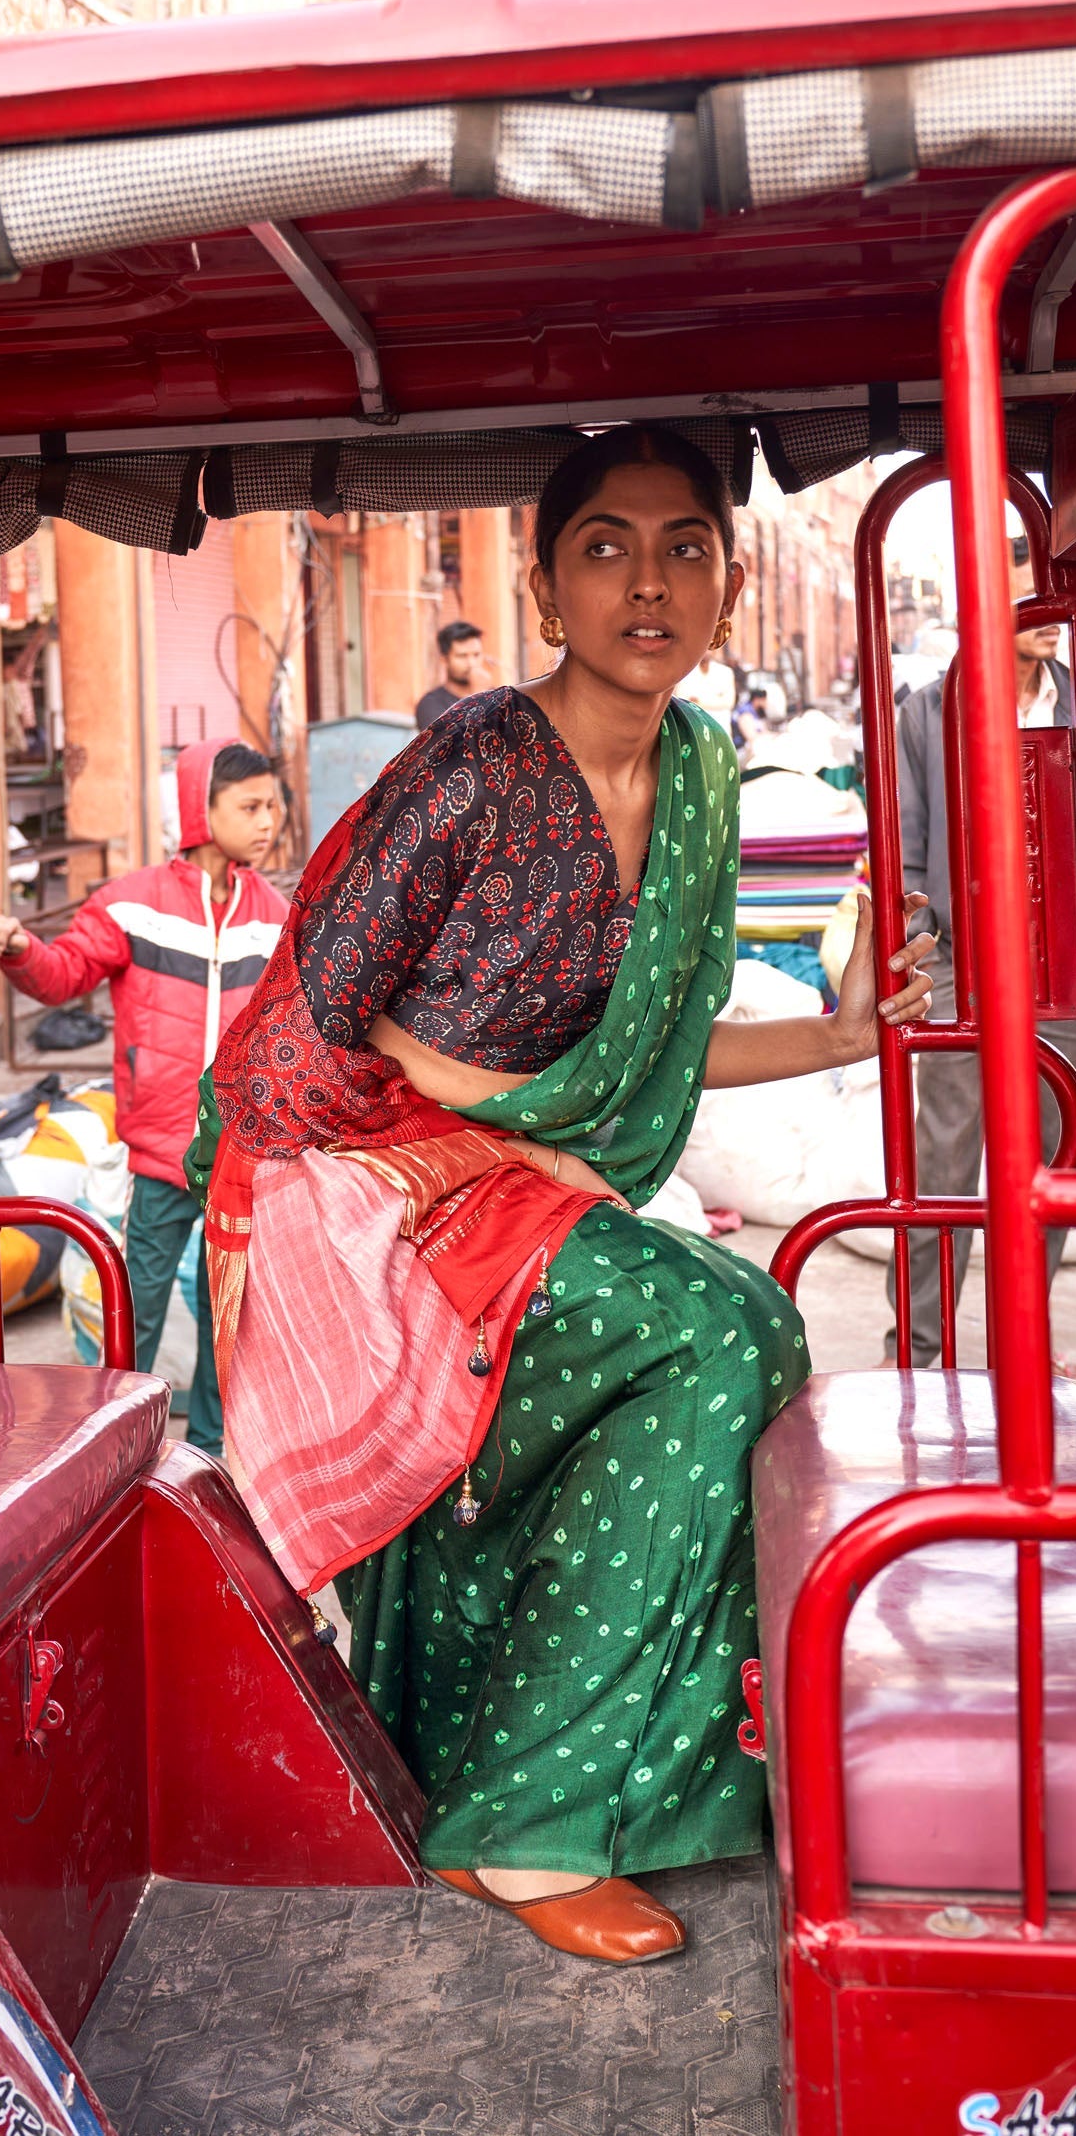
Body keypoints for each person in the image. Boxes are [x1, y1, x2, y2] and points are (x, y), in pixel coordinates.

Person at [188, 426, 933, 1964]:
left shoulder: (708, 773)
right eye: (606, 546)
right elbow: (293, 1042)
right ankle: (527, 1825)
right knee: (716, 1335)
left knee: (740, 1336)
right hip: (358, 1199)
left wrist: (850, 1032)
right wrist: (417, 1155)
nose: (646, 581)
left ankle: (533, 1772)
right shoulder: (472, 768)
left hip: (525, 1195)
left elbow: (658, 1043)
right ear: (543, 582)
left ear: (727, 587)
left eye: (685, 548)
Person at [0, 739, 287, 1456]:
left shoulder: (273, 914)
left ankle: (209, 1455)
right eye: (250, 806)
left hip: (242, 1156)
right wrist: (18, 947)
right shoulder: (133, 906)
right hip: (161, 1152)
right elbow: (61, 976)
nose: (267, 821)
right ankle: (118, 1447)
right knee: (139, 1304)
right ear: (198, 810)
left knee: (225, 1314)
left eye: (272, 806)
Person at [885, 538, 1076, 1365]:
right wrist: (926, 963)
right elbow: (907, 851)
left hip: (1066, 976)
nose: (1044, 611)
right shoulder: (928, 713)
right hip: (964, 969)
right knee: (942, 1161)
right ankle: (920, 1350)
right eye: (1024, 591)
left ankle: (1021, 1346)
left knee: (1056, 1158)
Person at [415, 620, 488, 726]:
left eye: (476, 655)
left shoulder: (497, 696)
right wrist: (478, 697)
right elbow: (453, 741)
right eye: (462, 656)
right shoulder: (430, 704)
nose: (471, 663)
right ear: (444, 660)